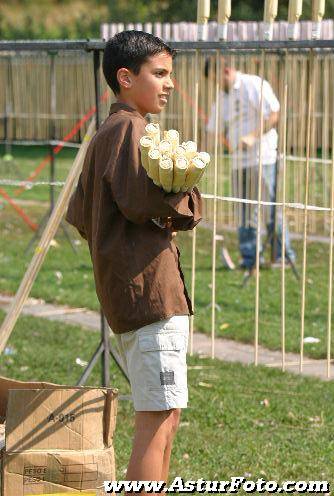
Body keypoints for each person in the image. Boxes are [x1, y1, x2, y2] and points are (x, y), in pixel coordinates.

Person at [66, 31, 202, 490]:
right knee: (156, 421)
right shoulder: (131, 130)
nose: (169, 84)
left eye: (170, 74)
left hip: (135, 294)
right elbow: (142, 203)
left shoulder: (108, 132)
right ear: (126, 77)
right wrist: (184, 194)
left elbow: (81, 214)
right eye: (159, 74)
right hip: (148, 297)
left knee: (166, 414)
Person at [206, 58, 295, 269]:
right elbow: (213, 130)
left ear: (226, 70)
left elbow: (274, 115)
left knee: (269, 208)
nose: (216, 84)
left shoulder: (253, 84)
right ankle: (249, 258)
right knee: (244, 211)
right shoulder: (222, 97)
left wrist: (253, 136)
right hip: (239, 162)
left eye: (216, 79)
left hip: (262, 158)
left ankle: (282, 255)